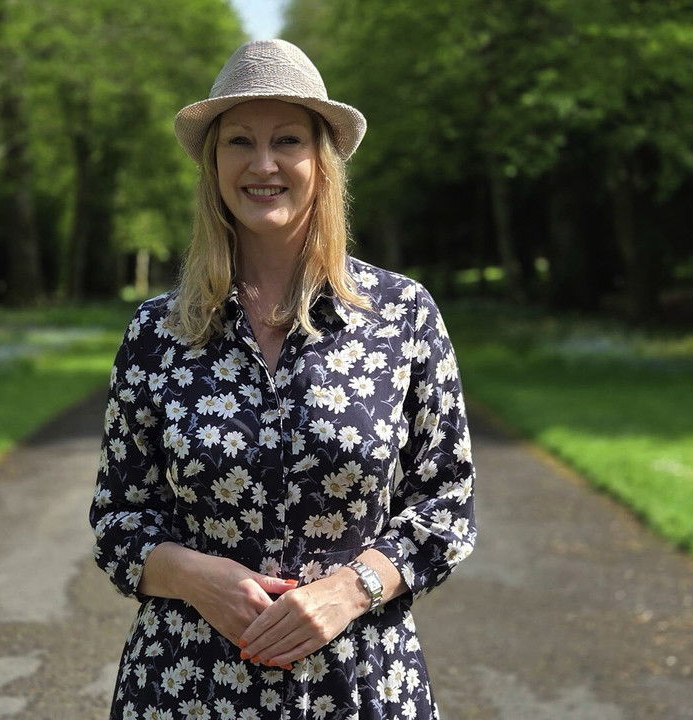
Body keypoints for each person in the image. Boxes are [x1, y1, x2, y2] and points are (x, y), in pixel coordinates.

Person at [89, 38, 476, 720]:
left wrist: (350, 591)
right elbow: (118, 520)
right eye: (239, 141)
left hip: (358, 686)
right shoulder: (158, 332)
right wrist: (196, 577)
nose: (263, 164)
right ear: (213, 165)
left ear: (322, 161)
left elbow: (446, 504)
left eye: (287, 140)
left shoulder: (401, 315)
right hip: (185, 688)